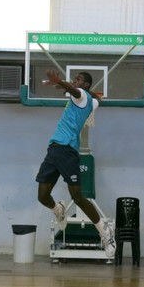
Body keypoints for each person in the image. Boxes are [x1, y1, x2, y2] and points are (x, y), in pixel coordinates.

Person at [36, 69, 116, 257]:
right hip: (54, 149)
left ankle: (105, 231)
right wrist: (87, 93)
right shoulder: (92, 101)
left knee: (78, 197)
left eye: (78, 79)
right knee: (42, 196)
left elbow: (76, 92)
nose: (75, 80)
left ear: (86, 85)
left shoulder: (80, 97)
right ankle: (59, 210)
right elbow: (98, 100)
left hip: (68, 151)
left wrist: (61, 82)